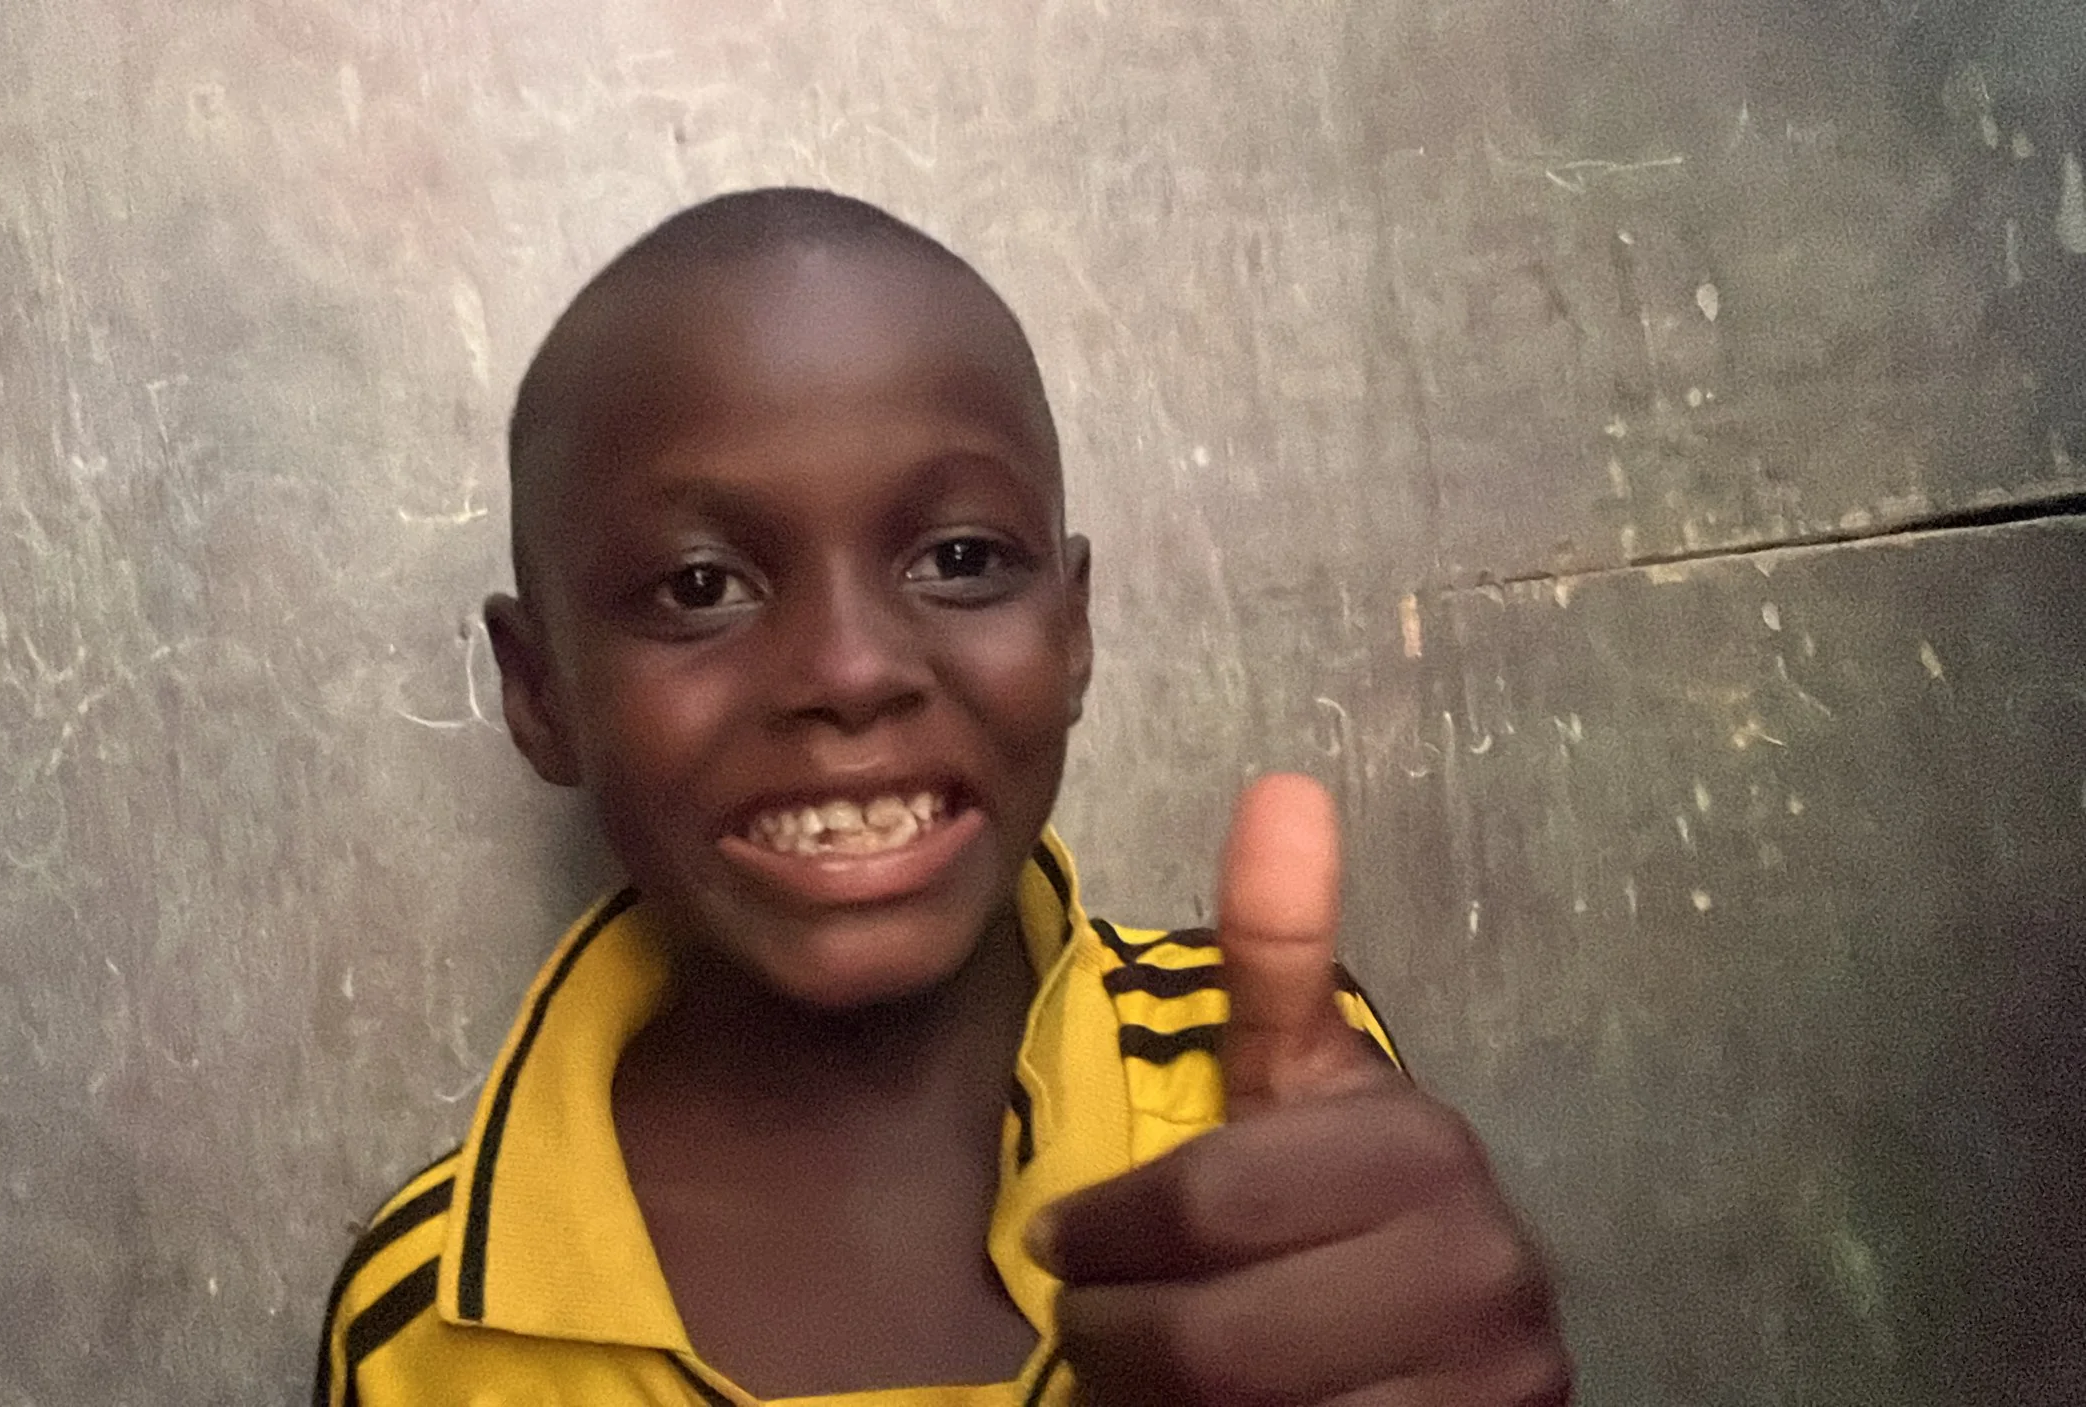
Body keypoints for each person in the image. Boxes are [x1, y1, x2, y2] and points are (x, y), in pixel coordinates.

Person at [317, 188, 1569, 1405]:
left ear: (1072, 631)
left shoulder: (1252, 1097)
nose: (851, 671)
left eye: (960, 560)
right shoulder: (427, 1321)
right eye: (700, 587)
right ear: (539, 694)